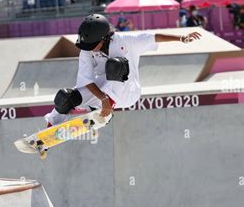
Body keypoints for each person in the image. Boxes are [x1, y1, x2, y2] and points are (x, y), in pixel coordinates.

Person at [44, 14, 202, 126]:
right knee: (66, 96)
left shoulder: (127, 41)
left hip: (128, 92)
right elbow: (86, 80)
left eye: (93, 46)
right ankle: (49, 129)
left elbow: (154, 37)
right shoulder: (86, 50)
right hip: (104, 92)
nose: (90, 50)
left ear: (104, 38)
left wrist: (181, 38)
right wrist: (103, 99)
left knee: (116, 64)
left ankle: (103, 108)